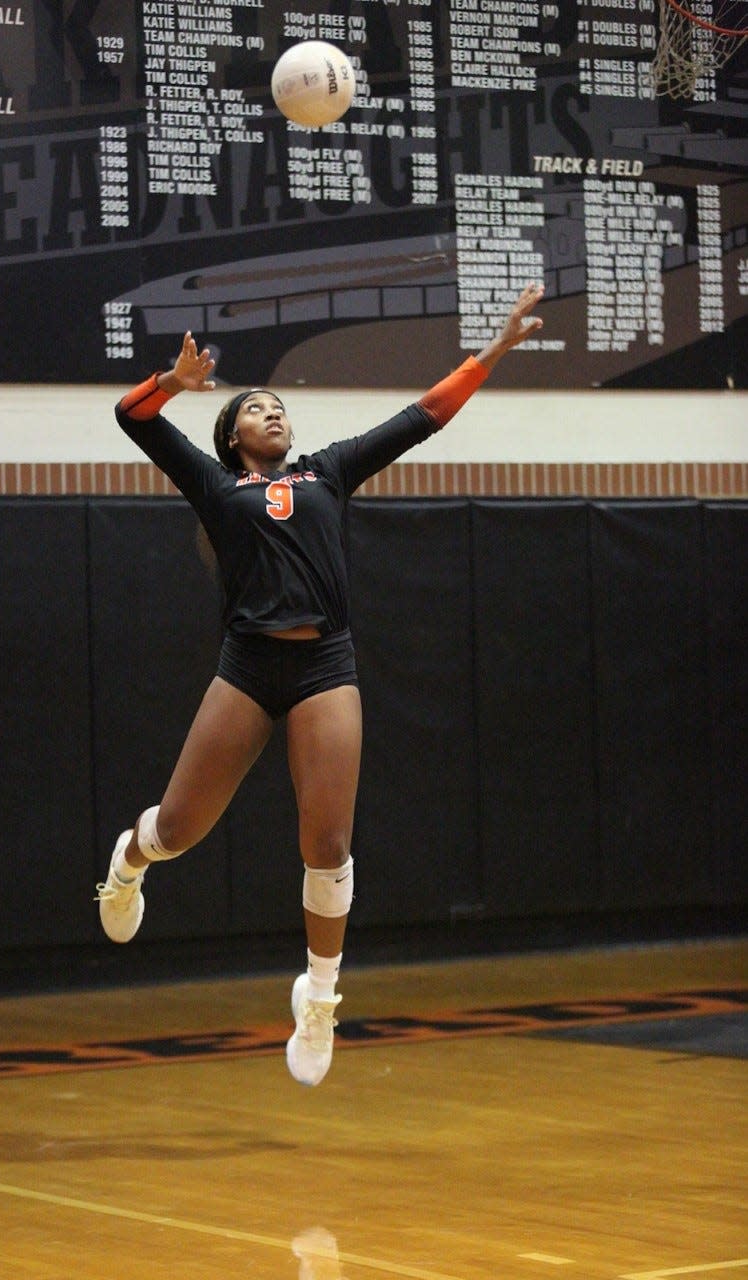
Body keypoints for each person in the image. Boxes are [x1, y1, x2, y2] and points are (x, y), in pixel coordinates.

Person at [96, 282, 544, 1086]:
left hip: (324, 664)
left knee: (328, 843)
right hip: (247, 665)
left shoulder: (328, 473)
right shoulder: (213, 482)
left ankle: (319, 998)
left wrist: (496, 350)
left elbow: (422, 417)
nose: (271, 412)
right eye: (254, 409)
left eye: (278, 406)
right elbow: (133, 418)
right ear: (232, 437)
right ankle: (130, 860)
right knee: (181, 830)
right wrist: (172, 383)